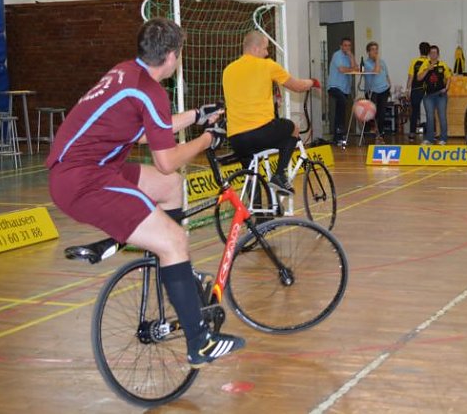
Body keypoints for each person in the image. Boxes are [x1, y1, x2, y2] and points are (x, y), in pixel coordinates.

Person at [47, 18, 244, 367]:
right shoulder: (151, 90)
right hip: (85, 179)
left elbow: (144, 133)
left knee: (171, 188)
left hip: (92, 167)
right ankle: (199, 343)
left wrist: (197, 115)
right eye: (179, 54)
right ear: (170, 57)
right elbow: (166, 159)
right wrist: (206, 139)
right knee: (174, 239)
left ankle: (165, 263)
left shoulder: (126, 73)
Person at [223, 30, 318, 193]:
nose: (267, 53)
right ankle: (279, 175)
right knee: (292, 127)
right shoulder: (268, 65)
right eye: (265, 49)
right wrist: (313, 82)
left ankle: (258, 215)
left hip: (236, 138)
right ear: (255, 49)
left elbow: (245, 96)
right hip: (261, 133)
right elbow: (297, 86)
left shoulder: (228, 70)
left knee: (252, 174)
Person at [416, 44, 452, 145]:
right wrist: (427, 69)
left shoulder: (443, 65)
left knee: (442, 116)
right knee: (430, 117)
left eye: (435, 53)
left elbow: (449, 77)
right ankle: (429, 139)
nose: (433, 55)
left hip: (441, 95)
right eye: (431, 53)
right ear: (429, 54)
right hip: (428, 96)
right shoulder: (425, 64)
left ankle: (443, 139)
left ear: (438, 54)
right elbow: (418, 78)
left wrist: (447, 88)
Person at [327, 37, 356, 145]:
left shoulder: (349, 56)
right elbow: (342, 69)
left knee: (342, 109)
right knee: (342, 103)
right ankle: (338, 134)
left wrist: (351, 56)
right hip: (334, 86)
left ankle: (338, 136)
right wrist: (352, 69)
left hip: (345, 88)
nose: (347, 48)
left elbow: (355, 68)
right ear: (341, 46)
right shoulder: (337, 55)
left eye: (349, 45)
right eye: (345, 45)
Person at [363, 41, 391, 142]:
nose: (375, 52)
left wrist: (389, 85)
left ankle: (381, 133)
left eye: (376, 49)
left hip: (384, 89)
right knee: (372, 114)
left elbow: (386, 74)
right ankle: (371, 130)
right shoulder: (366, 63)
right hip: (373, 91)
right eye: (373, 50)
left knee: (382, 112)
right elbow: (376, 71)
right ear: (368, 52)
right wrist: (377, 60)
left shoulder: (382, 61)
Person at [405, 41, 430, 142]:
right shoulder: (430, 62)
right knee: (429, 112)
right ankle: (431, 132)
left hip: (416, 89)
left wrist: (407, 89)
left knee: (414, 112)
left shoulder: (414, 62)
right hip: (427, 90)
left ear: (419, 50)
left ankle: (412, 134)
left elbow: (410, 77)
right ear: (428, 51)